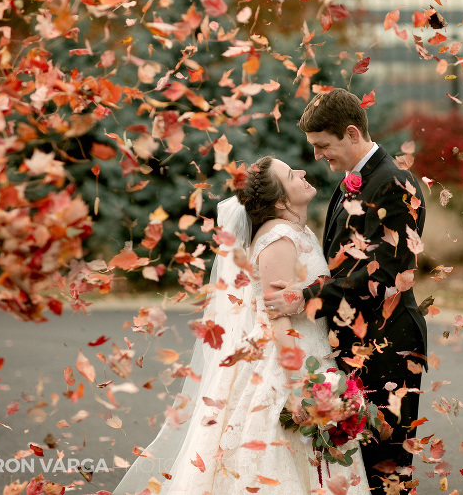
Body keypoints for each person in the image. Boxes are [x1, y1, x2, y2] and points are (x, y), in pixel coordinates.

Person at [114, 156, 369, 495]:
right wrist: (299, 387)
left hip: (310, 354)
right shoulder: (278, 237)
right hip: (286, 363)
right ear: (280, 201)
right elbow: (278, 319)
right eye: (293, 174)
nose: (304, 172)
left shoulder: (294, 230)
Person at [263, 88, 427, 494]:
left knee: (387, 469)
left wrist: (305, 296)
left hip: (388, 347)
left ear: (352, 133)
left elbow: (386, 275)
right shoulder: (352, 182)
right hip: (354, 342)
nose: (318, 156)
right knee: (359, 468)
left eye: (323, 145)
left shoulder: (394, 183)